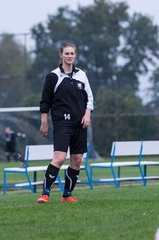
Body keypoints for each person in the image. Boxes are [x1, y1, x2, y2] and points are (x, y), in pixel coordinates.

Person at [37, 42, 94, 203]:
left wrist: (87, 114)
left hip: (80, 125)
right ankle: (45, 194)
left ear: (75, 55)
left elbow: (89, 97)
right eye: (66, 53)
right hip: (62, 124)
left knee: (76, 160)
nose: (69, 56)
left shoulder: (81, 74)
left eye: (72, 53)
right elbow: (45, 101)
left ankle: (67, 195)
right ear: (60, 55)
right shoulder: (53, 76)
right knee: (60, 158)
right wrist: (44, 122)